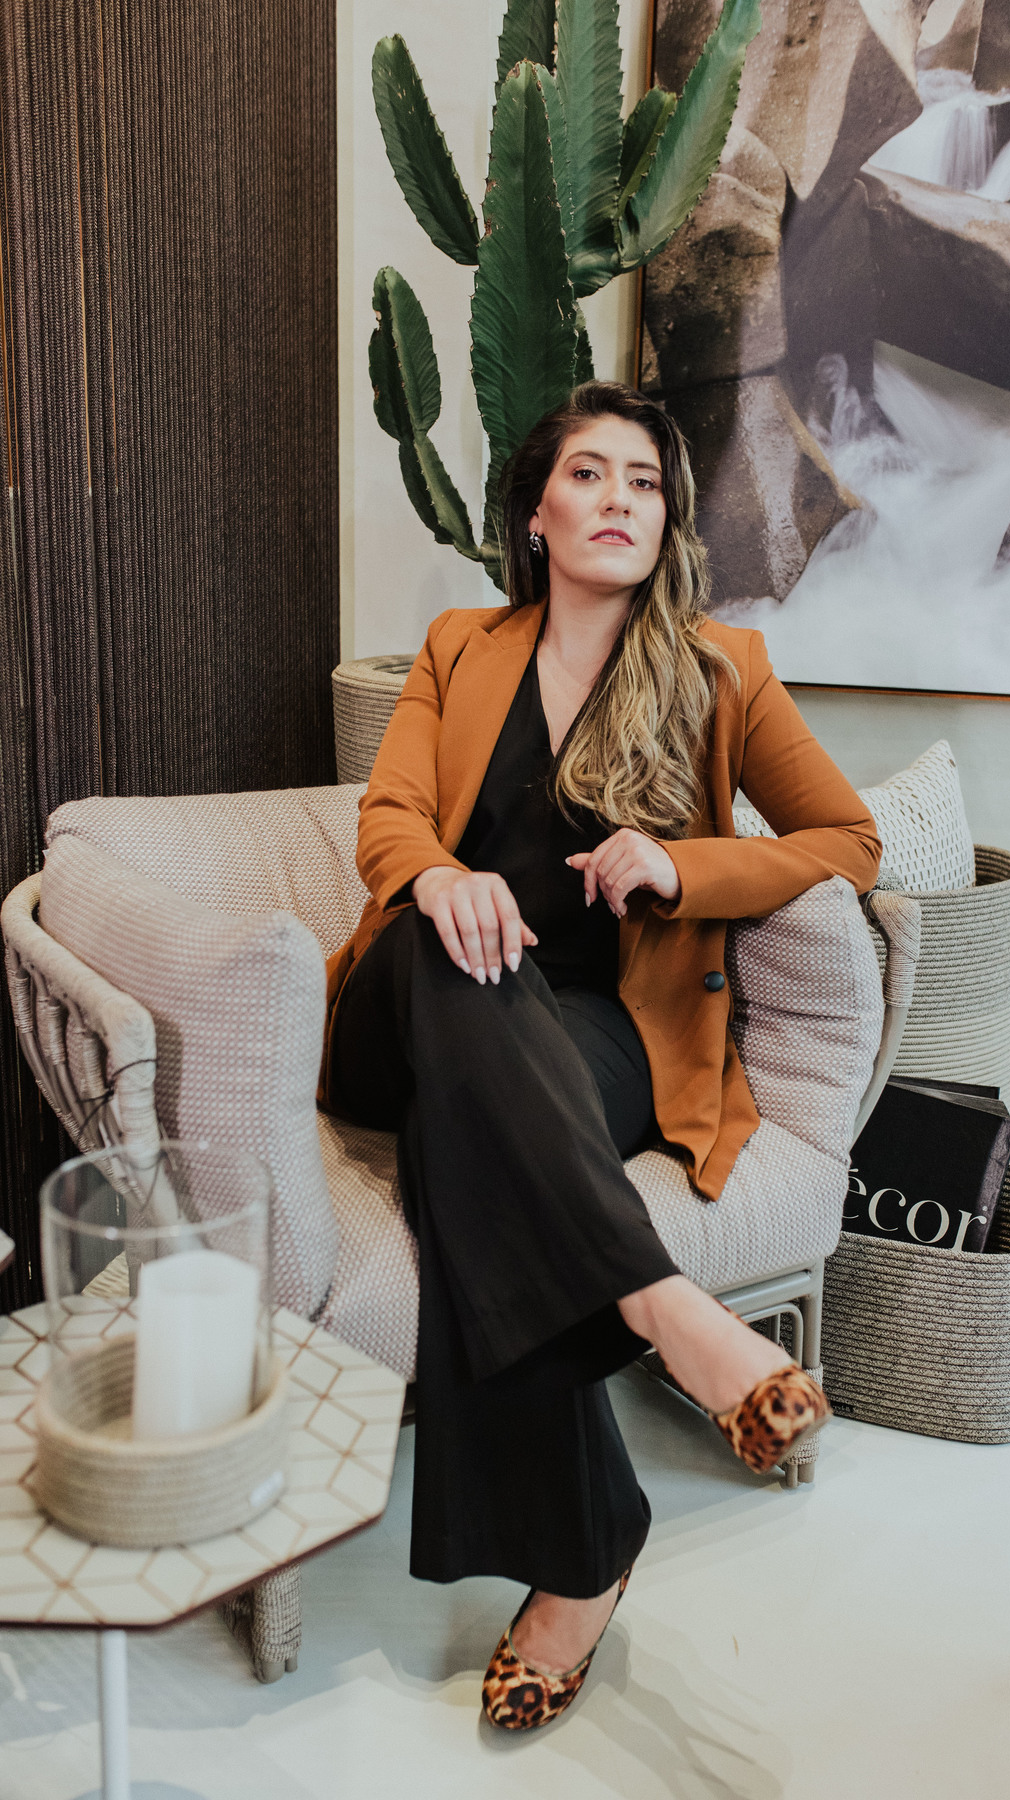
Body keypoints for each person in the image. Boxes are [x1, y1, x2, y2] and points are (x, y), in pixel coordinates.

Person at [321, 380, 881, 1732]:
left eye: (643, 480)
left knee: (468, 1148)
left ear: (667, 519)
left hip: (602, 1032)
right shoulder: (460, 647)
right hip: (414, 1004)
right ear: (535, 514)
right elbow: (390, 817)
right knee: (455, 950)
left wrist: (686, 867)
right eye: (589, 473)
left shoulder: (721, 669)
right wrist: (442, 879)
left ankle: (585, 1555)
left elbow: (847, 841)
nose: (619, 498)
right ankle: (669, 1312)